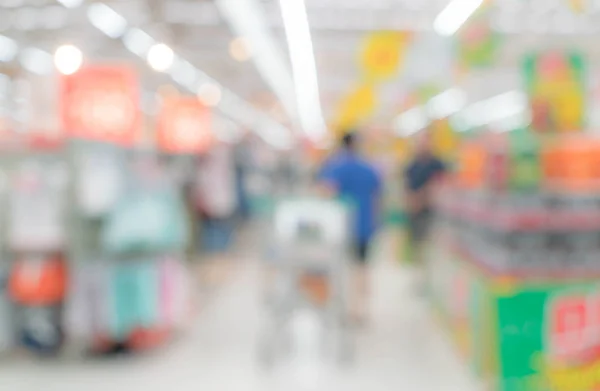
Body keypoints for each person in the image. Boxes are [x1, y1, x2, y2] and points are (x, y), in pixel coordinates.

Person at [318, 132, 382, 323]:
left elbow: (326, 192)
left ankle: (345, 308)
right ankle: (361, 310)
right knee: (362, 267)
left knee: (342, 267)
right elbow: (377, 196)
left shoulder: (335, 167)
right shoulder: (369, 168)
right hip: (365, 224)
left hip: (341, 227)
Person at [403, 133, 446, 267]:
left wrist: (423, 198)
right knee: (417, 244)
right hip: (415, 211)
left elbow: (441, 185)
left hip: (433, 211)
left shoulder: (437, 164)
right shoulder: (412, 165)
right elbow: (406, 187)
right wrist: (411, 202)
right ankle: (419, 269)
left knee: (432, 245)